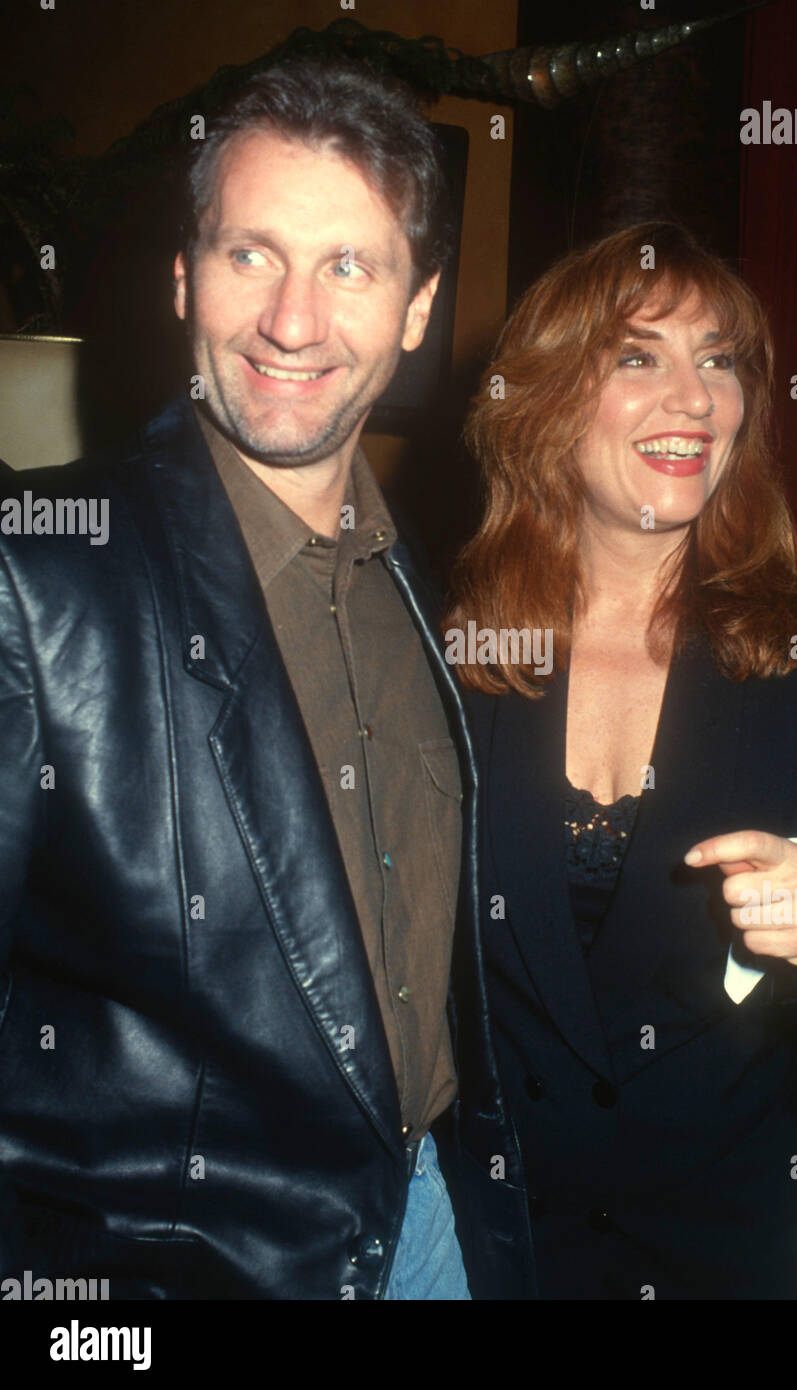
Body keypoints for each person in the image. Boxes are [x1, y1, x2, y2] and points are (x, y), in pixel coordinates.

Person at [0, 57, 532, 1301]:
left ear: (417, 307)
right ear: (182, 276)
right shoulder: (36, 571)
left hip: (431, 1231)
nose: (292, 321)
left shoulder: (430, 591)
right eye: (251, 255)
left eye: (349, 266)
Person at [444, 220, 797, 1300]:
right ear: (543, 397)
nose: (694, 398)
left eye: (718, 361)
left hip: (727, 1244)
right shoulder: (443, 652)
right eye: (637, 357)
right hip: (496, 1239)